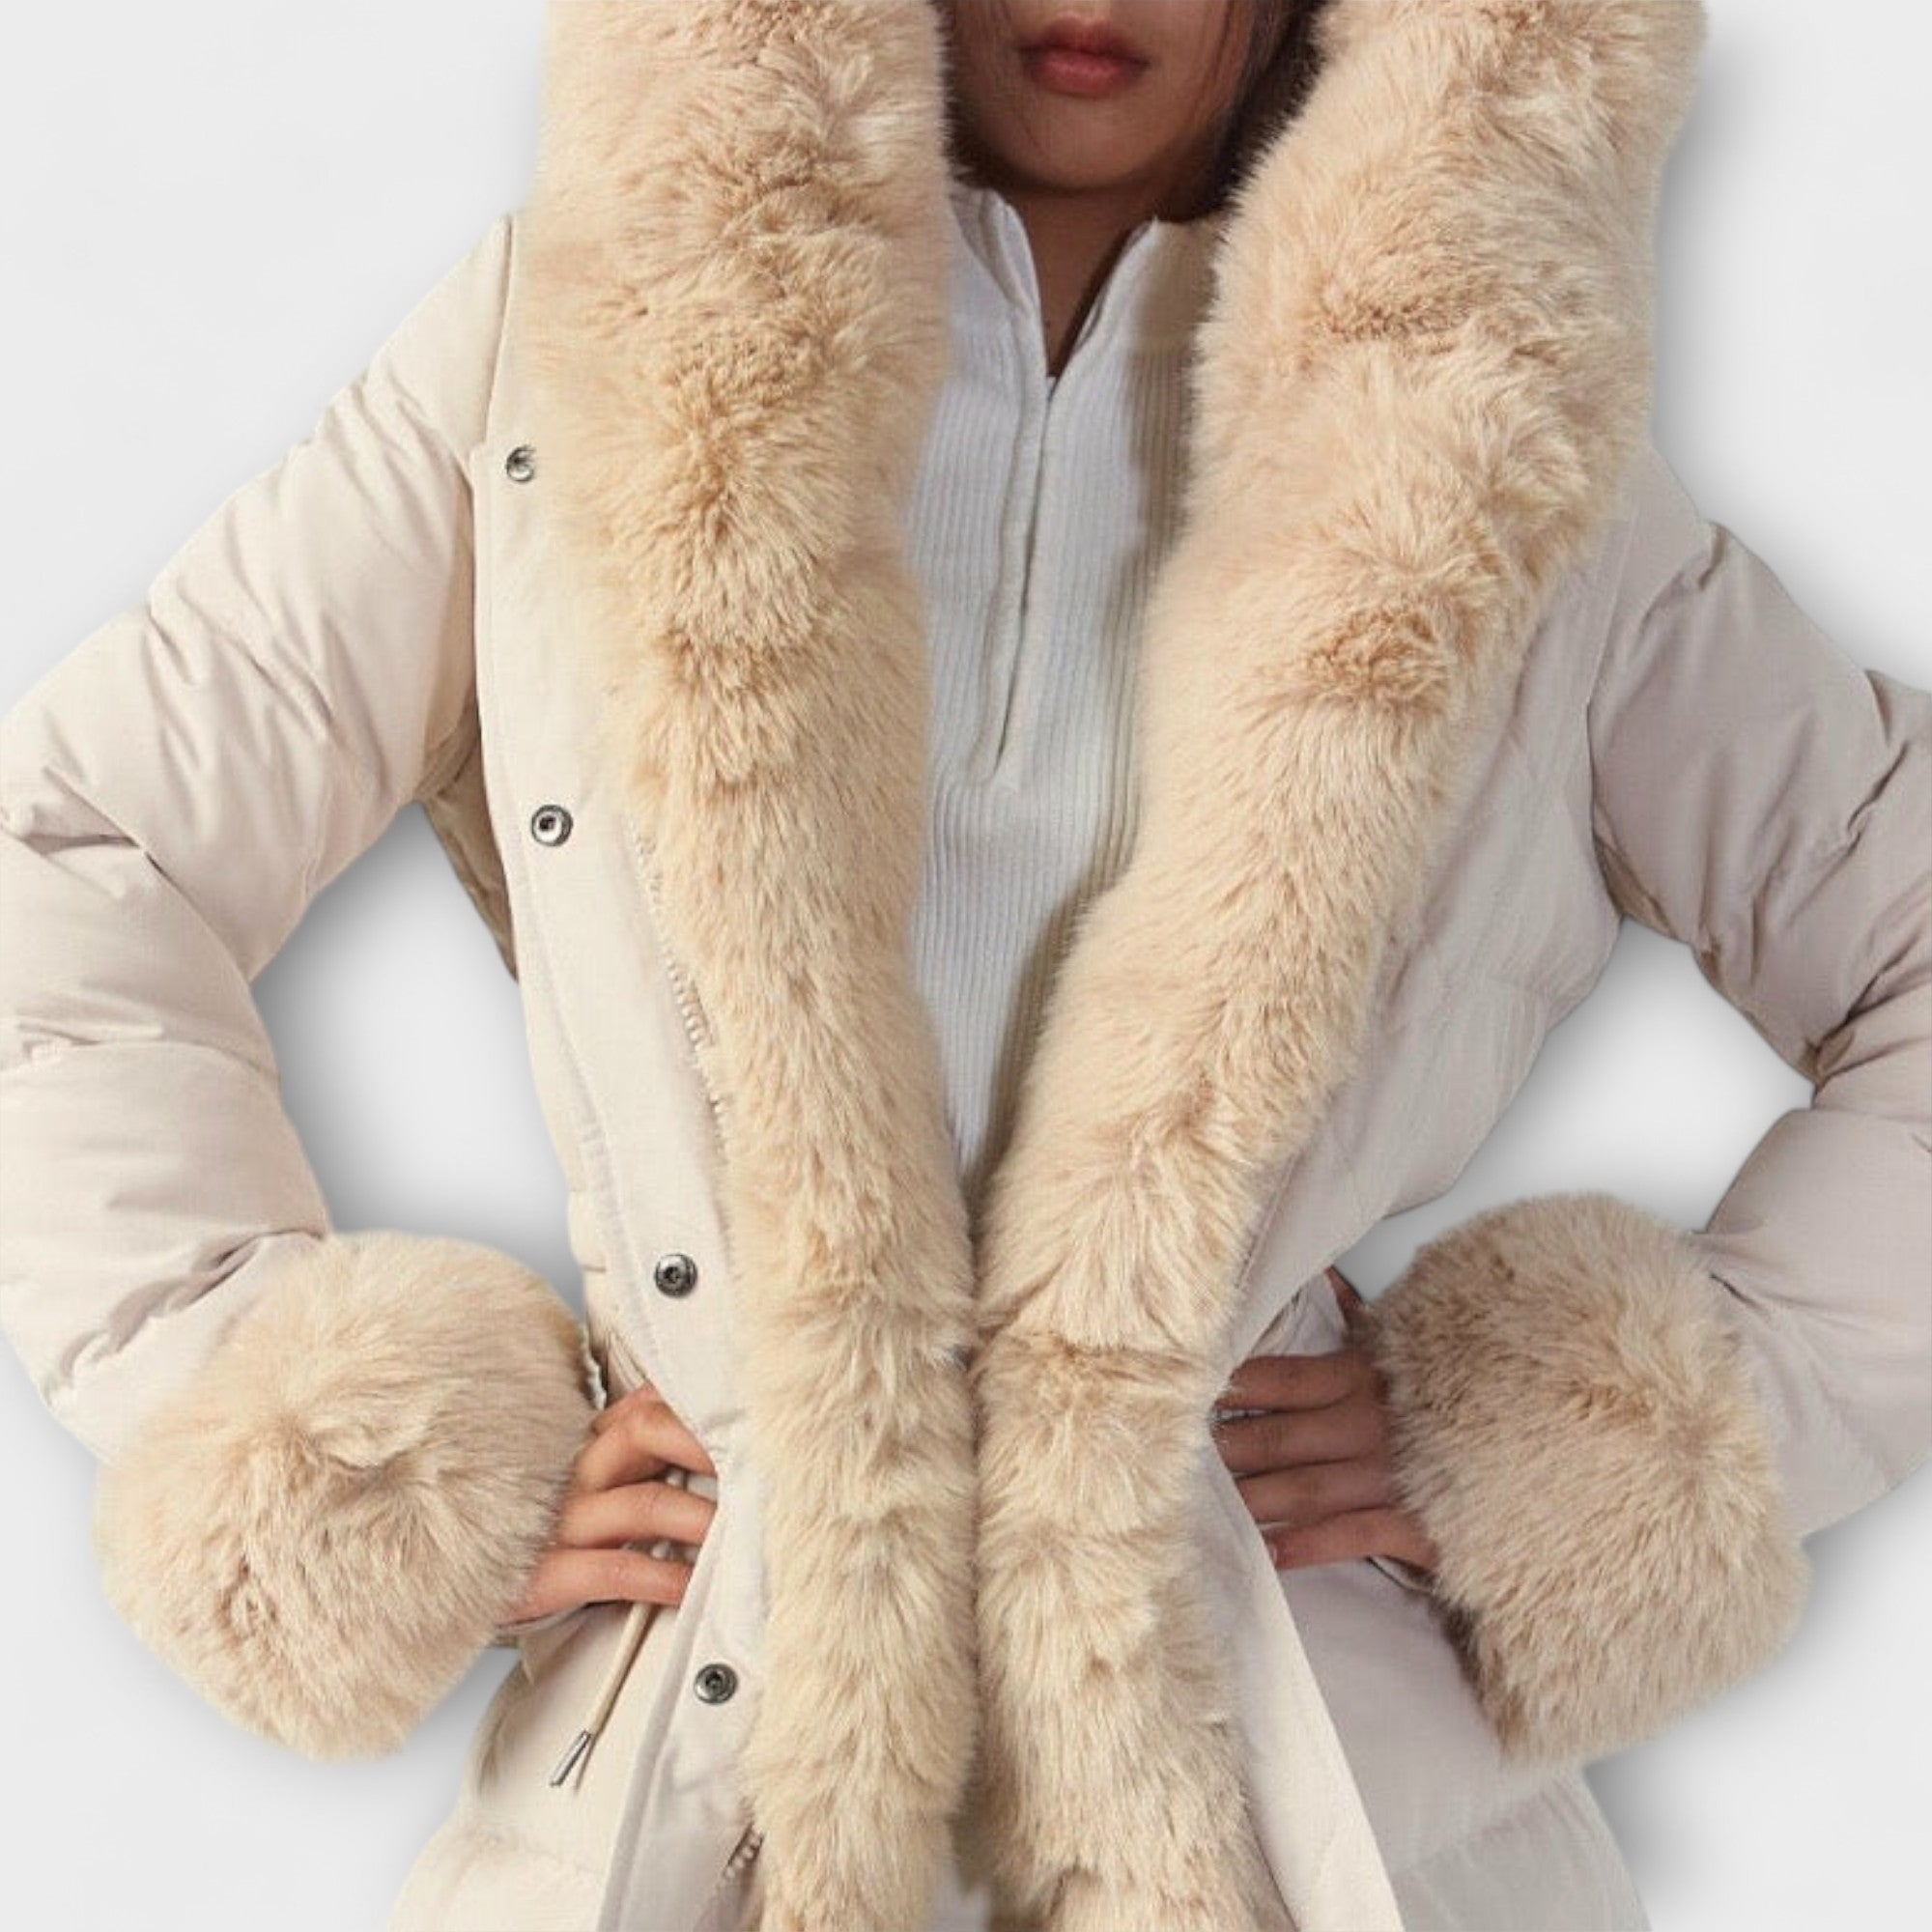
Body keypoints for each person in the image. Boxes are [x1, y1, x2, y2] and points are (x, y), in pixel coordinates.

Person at [0, 2, 1925, 1928]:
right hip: (694, 1767)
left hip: (1302, 1788)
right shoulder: (567, 343)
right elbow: (76, 859)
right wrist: (307, 1432)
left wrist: (1611, 1439)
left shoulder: (1496, 436)